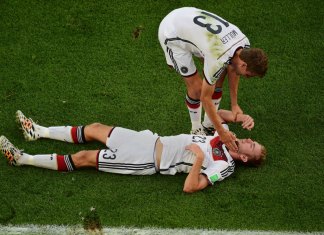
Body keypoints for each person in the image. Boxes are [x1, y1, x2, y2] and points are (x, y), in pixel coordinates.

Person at [0, 110, 265, 193]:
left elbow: (190, 187)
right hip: (147, 140)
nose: (249, 139)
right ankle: (39, 131)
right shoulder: (226, 136)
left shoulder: (224, 167)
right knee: (94, 128)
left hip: (146, 159)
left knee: (84, 159)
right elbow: (215, 113)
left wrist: (197, 158)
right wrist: (238, 117)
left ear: (243, 158)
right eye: (252, 140)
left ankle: (23, 159)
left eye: (251, 146)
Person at [158, 7, 268, 152]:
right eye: (249, 74)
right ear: (244, 64)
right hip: (172, 31)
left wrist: (235, 104)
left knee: (219, 75)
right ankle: (196, 129)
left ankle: (209, 124)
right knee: (197, 89)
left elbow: (233, 69)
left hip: (188, 18)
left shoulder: (244, 43)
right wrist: (222, 132)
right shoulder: (218, 57)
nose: (247, 77)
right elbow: (205, 97)